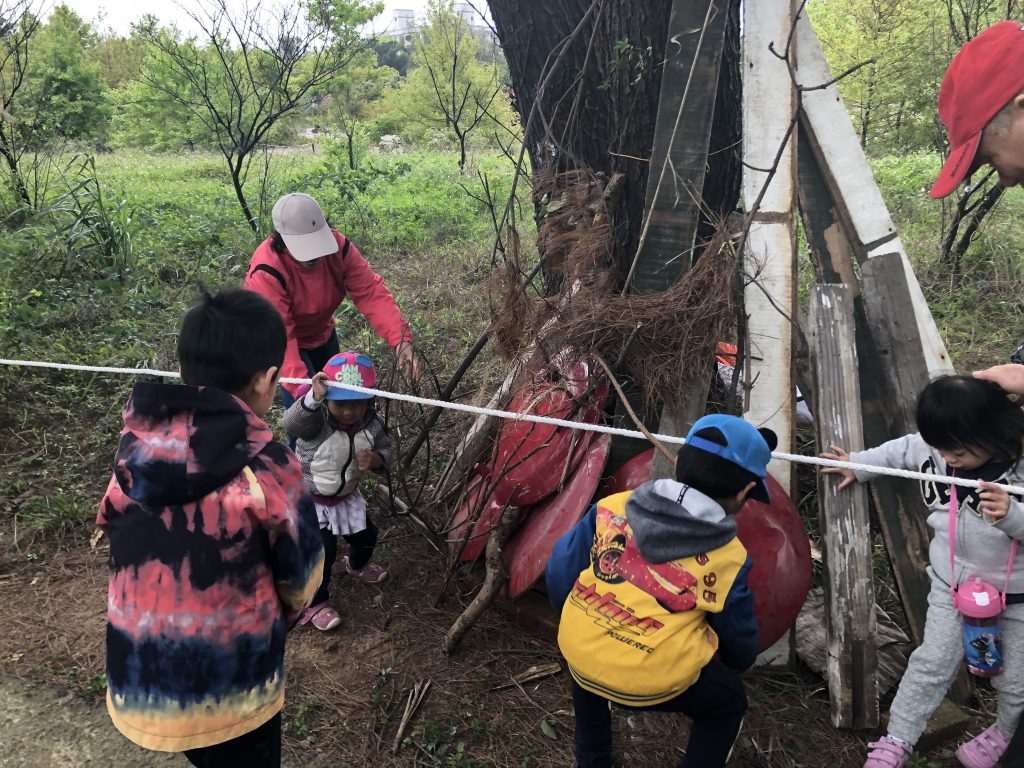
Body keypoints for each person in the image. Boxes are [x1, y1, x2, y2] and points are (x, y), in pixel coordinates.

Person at [96, 288, 325, 767]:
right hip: (232, 688)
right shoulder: (267, 465)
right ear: (267, 382)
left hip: (141, 678)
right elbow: (302, 577)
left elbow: (111, 523)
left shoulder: (134, 450)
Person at [545, 414, 776, 768]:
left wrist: (583, 618)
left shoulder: (612, 508)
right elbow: (737, 636)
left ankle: (591, 761)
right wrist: (738, 662)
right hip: (655, 678)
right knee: (728, 704)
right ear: (745, 492)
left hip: (581, 648)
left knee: (587, 670)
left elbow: (561, 571)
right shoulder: (729, 557)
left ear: (679, 462)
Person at [821, 376, 1024, 768]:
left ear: (991, 431)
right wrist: (859, 464)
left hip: (1015, 598)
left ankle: (1005, 733)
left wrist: (1013, 517)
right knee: (931, 664)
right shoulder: (938, 449)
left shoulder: (1017, 469)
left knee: (1015, 683)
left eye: (959, 451)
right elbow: (900, 451)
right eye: (942, 449)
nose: (948, 459)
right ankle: (897, 741)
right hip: (952, 589)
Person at [243, 192, 421, 417]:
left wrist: (400, 339)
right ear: (282, 240)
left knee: (338, 398)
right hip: (283, 344)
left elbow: (370, 292)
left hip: (322, 333)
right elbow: (280, 338)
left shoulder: (339, 248)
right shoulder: (267, 271)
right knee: (306, 415)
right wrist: (307, 395)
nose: (314, 256)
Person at [283, 351, 392, 631]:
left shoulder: (373, 424)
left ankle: (356, 564)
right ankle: (315, 603)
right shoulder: (316, 421)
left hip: (346, 497)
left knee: (368, 536)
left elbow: (388, 452)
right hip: (312, 500)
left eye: (357, 404)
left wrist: (378, 460)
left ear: (369, 399)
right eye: (340, 403)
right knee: (322, 554)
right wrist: (311, 398)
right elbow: (291, 424)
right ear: (328, 397)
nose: (348, 411)